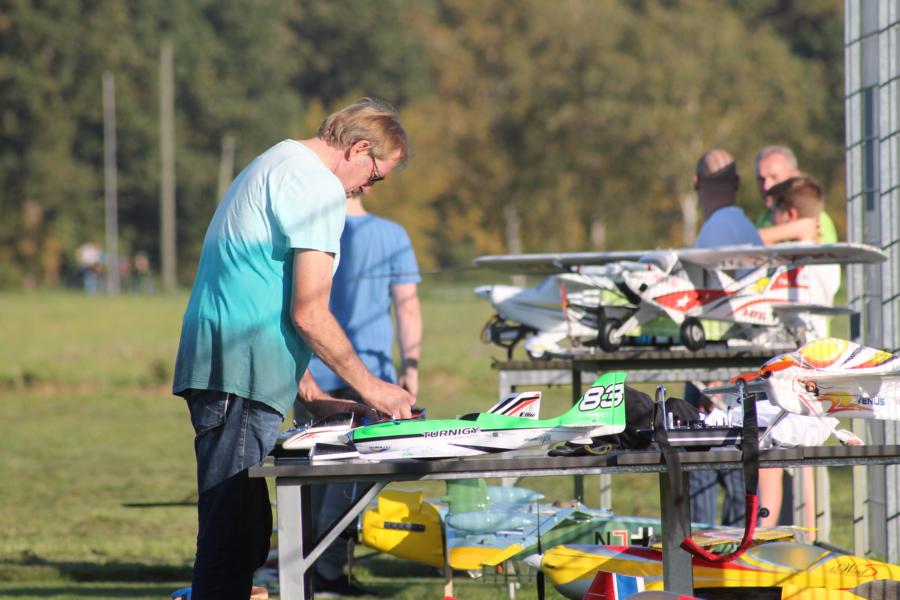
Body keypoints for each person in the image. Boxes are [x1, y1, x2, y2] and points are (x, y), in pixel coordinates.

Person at [172, 98, 416, 600]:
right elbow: (309, 312)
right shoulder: (317, 186)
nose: (368, 189)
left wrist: (312, 395)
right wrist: (374, 388)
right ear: (359, 149)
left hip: (231, 362)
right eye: (375, 177)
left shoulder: (278, 162)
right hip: (240, 368)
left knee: (241, 526)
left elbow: (266, 291)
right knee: (232, 533)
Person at [298, 191, 422, 596]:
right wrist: (411, 367)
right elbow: (407, 308)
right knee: (351, 481)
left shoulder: (310, 231)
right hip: (370, 377)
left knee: (306, 478)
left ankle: (302, 570)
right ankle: (328, 571)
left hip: (311, 369)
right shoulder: (393, 235)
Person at [689, 149, 762, 526]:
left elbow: (705, 307)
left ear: (696, 184)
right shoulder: (750, 231)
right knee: (741, 479)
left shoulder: (711, 234)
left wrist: (708, 380)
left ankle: (698, 555)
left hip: (716, 369)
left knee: (697, 474)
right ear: (737, 183)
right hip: (748, 365)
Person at [754, 146, 836, 245]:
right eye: (761, 179)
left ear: (794, 176)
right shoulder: (764, 218)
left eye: (774, 177)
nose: (766, 186)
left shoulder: (817, 218)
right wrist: (794, 230)